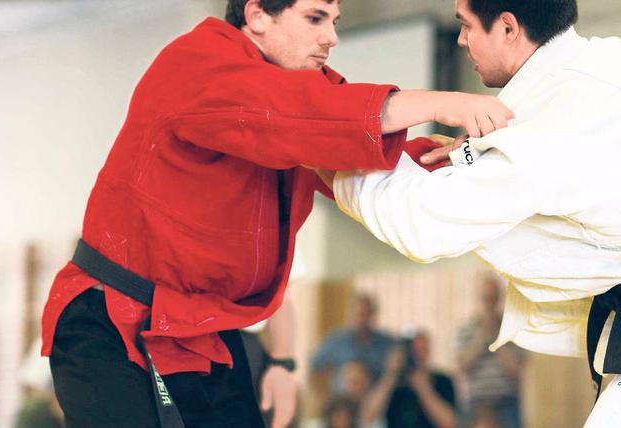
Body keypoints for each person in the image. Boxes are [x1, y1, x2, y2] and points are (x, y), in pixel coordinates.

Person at [40, 0, 513, 427]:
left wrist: (468, 158)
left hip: (205, 328)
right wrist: (446, 102)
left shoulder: (297, 96)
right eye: (314, 19)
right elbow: (300, 112)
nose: (331, 37)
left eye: (334, 21)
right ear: (257, 15)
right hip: (113, 321)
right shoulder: (196, 64)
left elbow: (368, 161)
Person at [318, 0, 621, 426]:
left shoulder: (547, 133)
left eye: (466, 25)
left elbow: (422, 225)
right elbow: (558, 146)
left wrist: (325, 151)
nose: (460, 40)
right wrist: (472, 153)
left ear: (507, 28)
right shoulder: (610, 59)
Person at [455, 275, 523, 428]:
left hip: (506, 401)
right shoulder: (465, 330)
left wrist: (496, 341)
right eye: (486, 298)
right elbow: (461, 366)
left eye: (493, 298)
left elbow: (517, 370)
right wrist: (480, 340)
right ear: (479, 299)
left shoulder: (512, 330)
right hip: (476, 402)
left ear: (500, 299)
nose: (490, 304)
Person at [360, 332, 456, 428]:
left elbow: (449, 422)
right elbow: (368, 417)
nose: (416, 355)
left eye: (421, 350)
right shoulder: (392, 383)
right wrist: (390, 376)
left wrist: (424, 389)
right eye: (412, 350)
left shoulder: (442, 380)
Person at [311, 294, 395, 393]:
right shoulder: (336, 341)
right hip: (342, 398)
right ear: (350, 315)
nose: (362, 320)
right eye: (359, 314)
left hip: (376, 398)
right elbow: (314, 368)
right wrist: (321, 396)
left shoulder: (387, 344)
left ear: (373, 315)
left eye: (366, 314)